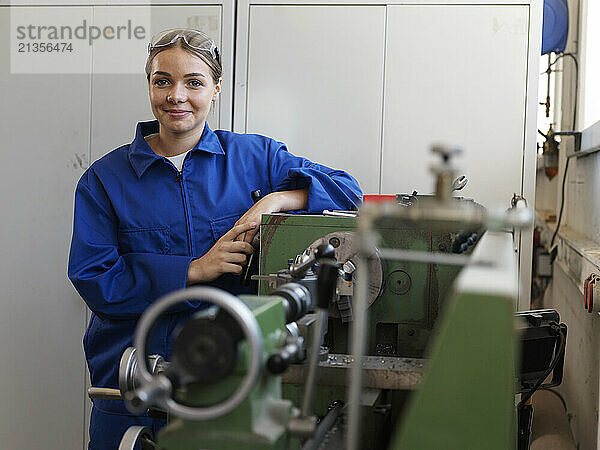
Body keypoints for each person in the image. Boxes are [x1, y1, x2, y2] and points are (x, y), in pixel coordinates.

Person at [68, 28, 362, 449]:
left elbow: (347, 188)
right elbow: (94, 277)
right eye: (162, 80)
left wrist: (276, 199)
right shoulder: (104, 179)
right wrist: (192, 271)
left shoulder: (254, 159)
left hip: (232, 385)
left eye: (194, 82)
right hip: (133, 391)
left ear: (216, 89)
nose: (176, 96)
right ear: (149, 85)